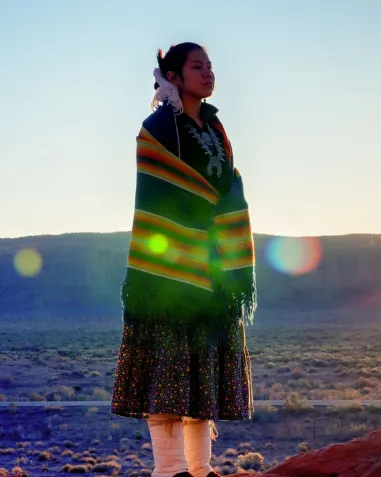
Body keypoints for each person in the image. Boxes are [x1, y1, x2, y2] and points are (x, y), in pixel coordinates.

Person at [110, 42, 258, 477]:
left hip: (213, 269)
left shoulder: (216, 129)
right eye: (198, 66)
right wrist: (204, 214)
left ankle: (199, 469)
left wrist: (223, 220)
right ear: (173, 77)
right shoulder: (158, 127)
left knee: (201, 371)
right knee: (169, 370)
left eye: (211, 66)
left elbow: (231, 184)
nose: (209, 73)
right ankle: (169, 469)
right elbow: (160, 188)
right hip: (169, 275)